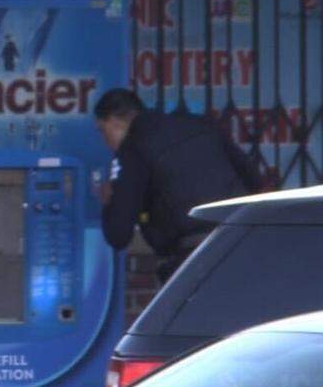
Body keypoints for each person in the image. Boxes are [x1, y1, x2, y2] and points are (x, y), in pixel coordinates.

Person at [94, 89, 264, 282]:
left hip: (193, 261)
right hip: (239, 243)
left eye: (102, 130)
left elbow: (118, 233)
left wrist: (109, 200)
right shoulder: (199, 124)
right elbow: (254, 179)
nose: (105, 141)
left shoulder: (132, 148)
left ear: (115, 123)